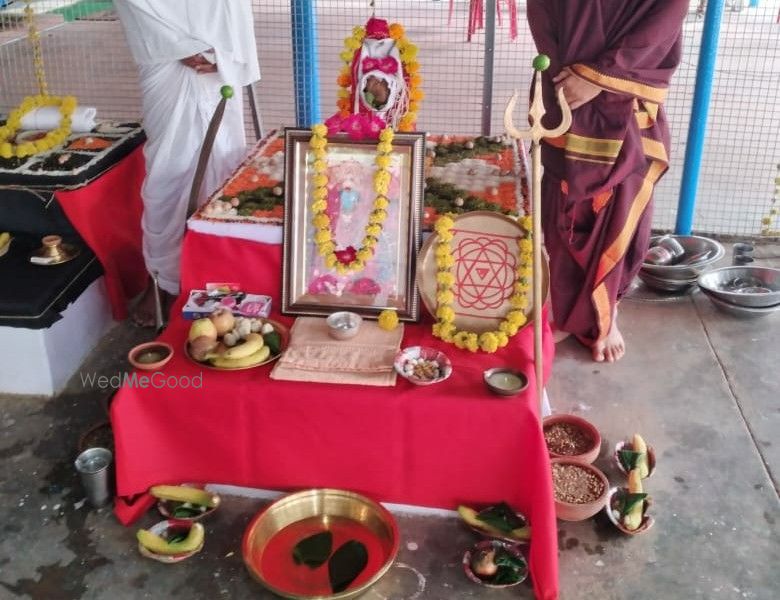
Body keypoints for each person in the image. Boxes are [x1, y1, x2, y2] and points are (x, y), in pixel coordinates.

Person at [526, 0, 689, 362]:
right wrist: (569, 77)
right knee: (563, 207)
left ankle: (607, 312)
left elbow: (667, 14)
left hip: (626, 94)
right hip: (563, 85)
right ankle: (570, 313)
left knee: (618, 209)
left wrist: (599, 76)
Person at [114, 1, 260, 326]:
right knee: (169, 172)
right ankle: (164, 282)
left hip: (218, 60)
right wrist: (176, 44)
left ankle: (217, 276)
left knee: (224, 168)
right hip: (165, 57)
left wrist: (226, 49)